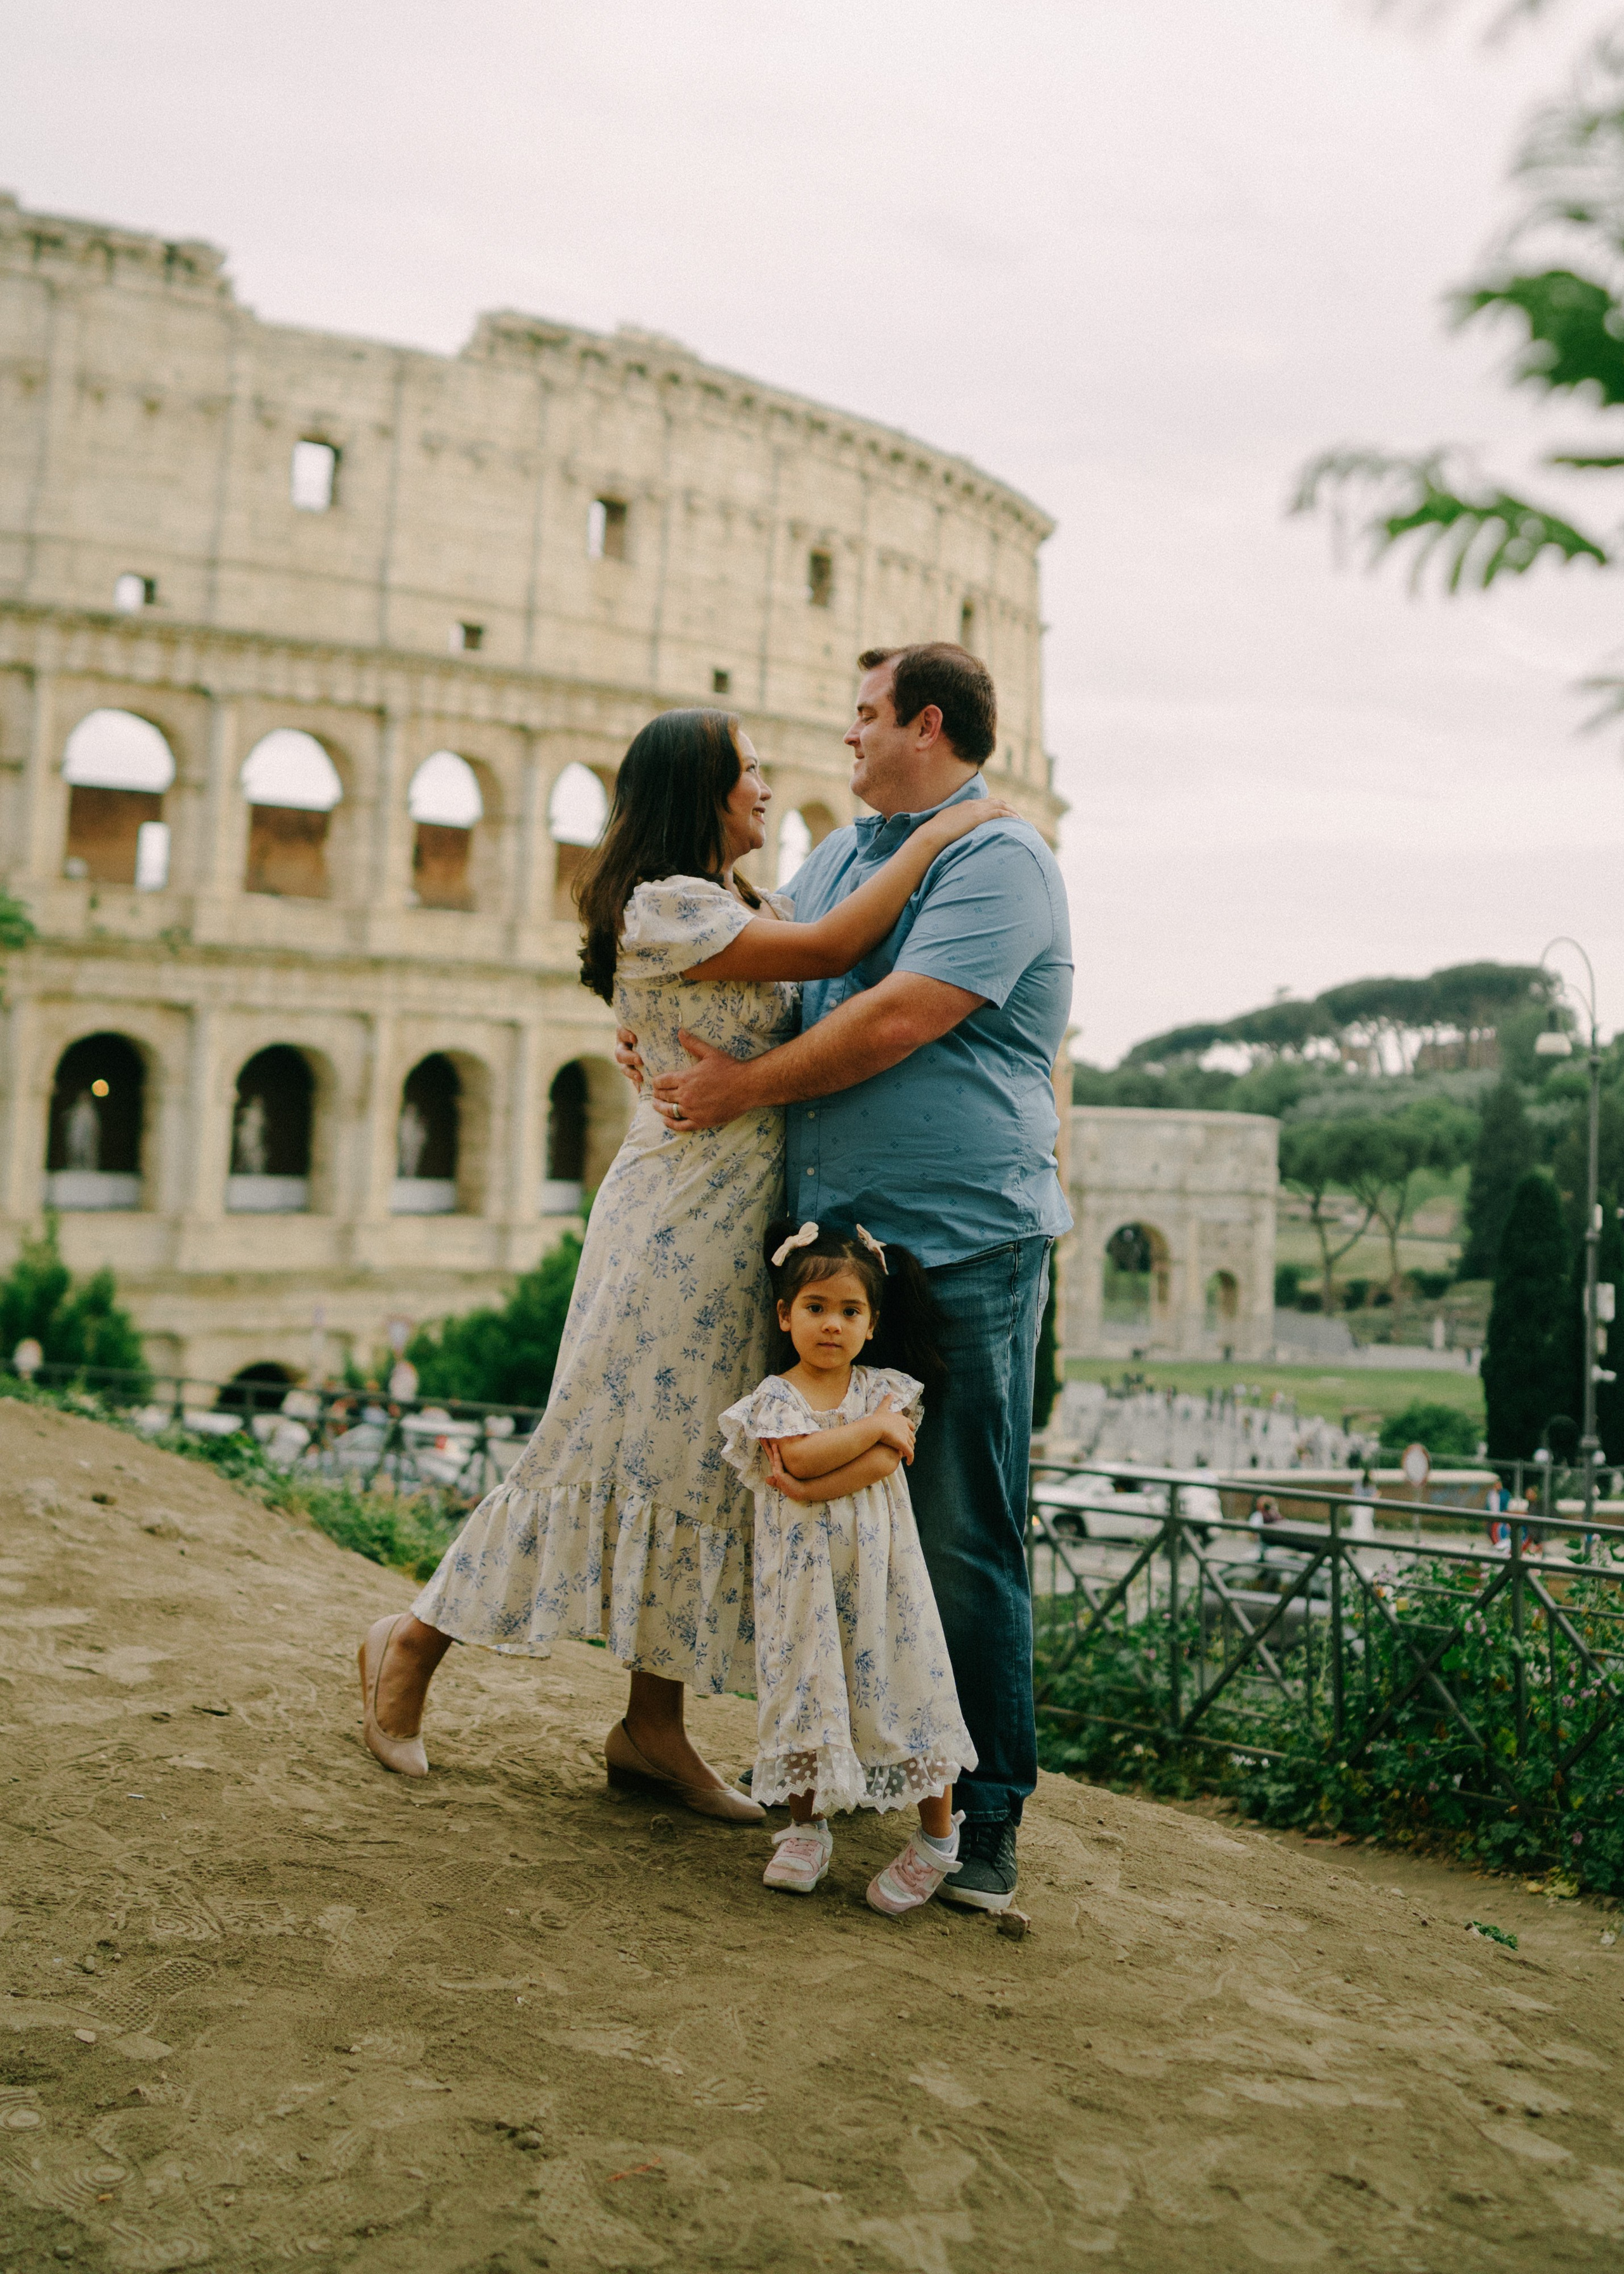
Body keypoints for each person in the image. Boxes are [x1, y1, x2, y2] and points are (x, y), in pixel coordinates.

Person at [355, 706, 1012, 1820]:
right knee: (588, 1440)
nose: (766, 788)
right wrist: (940, 836)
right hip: (672, 1216)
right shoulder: (668, 903)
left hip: (738, 1212)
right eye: (748, 773)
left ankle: (652, 1727)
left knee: (696, 1466)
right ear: (699, 791)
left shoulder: (737, 902)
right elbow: (832, 951)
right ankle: (408, 1644)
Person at [632, 643, 1073, 1912]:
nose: (847, 735)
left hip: (958, 1243)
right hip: (833, 1257)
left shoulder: (1002, 857)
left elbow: (893, 1018)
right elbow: (781, 969)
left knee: (957, 1527)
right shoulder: (843, 857)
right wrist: (656, 1035)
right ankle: (833, 1785)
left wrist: (736, 1089)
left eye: (866, 716)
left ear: (926, 725)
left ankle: (983, 1818)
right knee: (820, 1522)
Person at [719, 1220, 976, 1915]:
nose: (831, 1324)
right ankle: (807, 1826)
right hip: (803, 1587)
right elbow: (800, 1457)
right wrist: (864, 1435)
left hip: (884, 1579)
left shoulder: (886, 1387)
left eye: (849, 1310)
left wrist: (843, 1456)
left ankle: (936, 1839)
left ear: (871, 1323)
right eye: (815, 1307)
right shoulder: (774, 1399)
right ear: (785, 1314)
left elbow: (884, 1461)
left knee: (910, 1685)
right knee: (806, 1689)